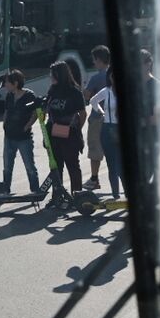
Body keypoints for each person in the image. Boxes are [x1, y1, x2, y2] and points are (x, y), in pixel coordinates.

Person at [45, 60, 87, 205]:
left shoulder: (74, 91)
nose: (51, 77)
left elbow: (83, 113)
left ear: (60, 74)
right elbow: (47, 108)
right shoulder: (52, 90)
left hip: (70, 135)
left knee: (73, 166)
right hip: (53, 133)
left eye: (53, 74)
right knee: (56, 167)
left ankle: (77, 197)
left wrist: (76, 129)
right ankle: (57, 196)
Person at [0, 70, 41, 194]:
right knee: (7, 167)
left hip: (24, 138)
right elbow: (7, 111)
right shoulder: (9, 96)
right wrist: (4, 124)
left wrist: (27, 126)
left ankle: (35, 190)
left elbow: (35, 113)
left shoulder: (29, 95)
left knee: (29, 166)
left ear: (15, 83)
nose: (5, 85)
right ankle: (5, 190)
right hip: (9, 136)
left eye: (7, 82)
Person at [89, 71, 123, 200]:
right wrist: (102, 112)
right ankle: (115, 194)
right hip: (107, 128)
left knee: (121, 164)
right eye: (112, 75)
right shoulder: (106, 91)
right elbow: (93, 101)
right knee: (111, 164)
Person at [83, 45, 111, 190]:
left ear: (99, 60)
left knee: (95, 148)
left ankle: (94, 179)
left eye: (94, 60)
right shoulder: (113, 75)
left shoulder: (96, 77)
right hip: (113, 118)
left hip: (97, 117)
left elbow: (87, 96)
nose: (93, 62)